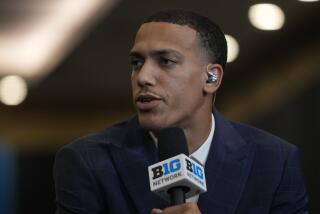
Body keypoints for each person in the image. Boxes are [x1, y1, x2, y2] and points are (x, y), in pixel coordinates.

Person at [54, 9, 308, 214]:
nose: (143, 77)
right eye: (136, 62)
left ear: (211, 77)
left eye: (165, 61)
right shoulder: (87, 160)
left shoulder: (275, 162)